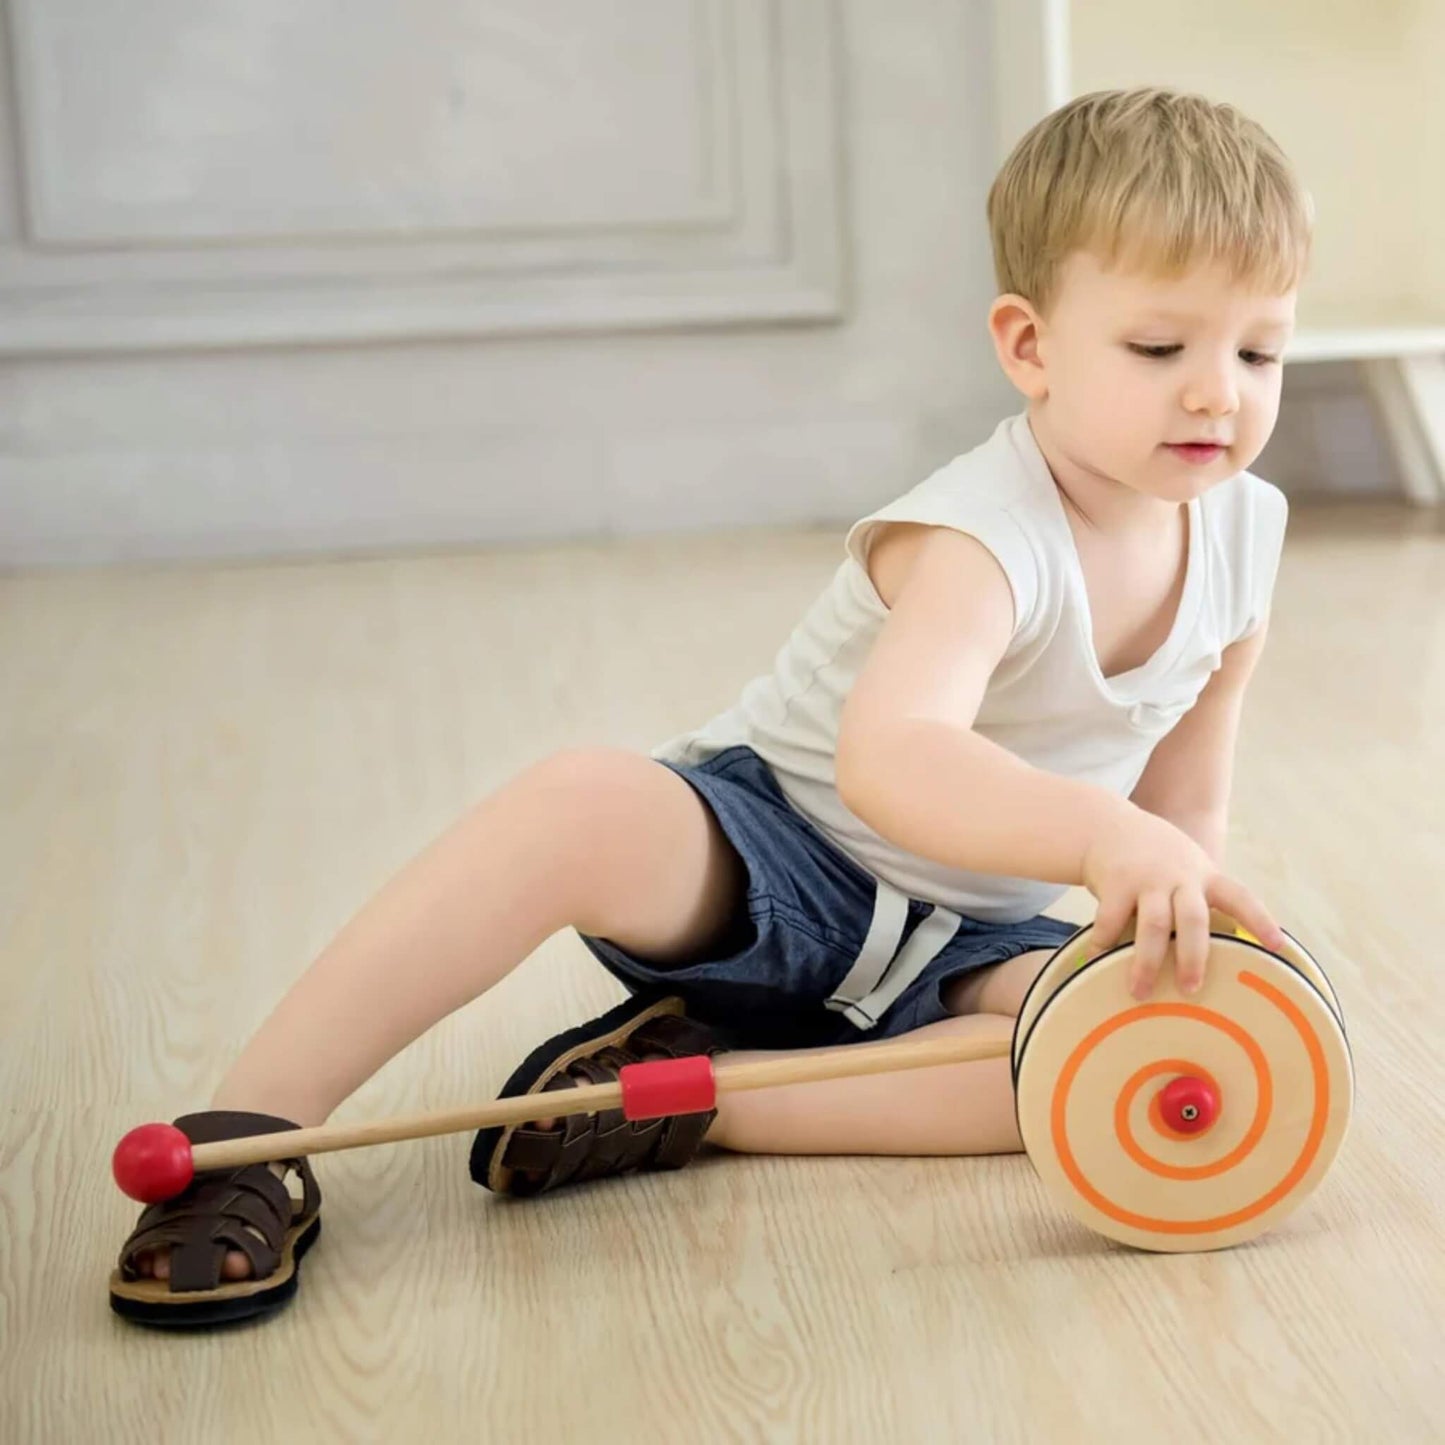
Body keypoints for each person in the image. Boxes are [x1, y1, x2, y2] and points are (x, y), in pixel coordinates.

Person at [110, 85, 1308, 1327]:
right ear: (1029, 346)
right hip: (775, 864)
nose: (1217, 393)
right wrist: (1101, 838)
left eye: (1258, 350)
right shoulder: (983, 535)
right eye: (1160, 349)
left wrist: (1179, 932)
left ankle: (691, 1092)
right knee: (580, 800)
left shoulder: (1243, 541)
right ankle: (248, 1134)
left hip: (958, 937)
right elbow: (893, 760)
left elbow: (1184, 799)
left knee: (1082, 1057)